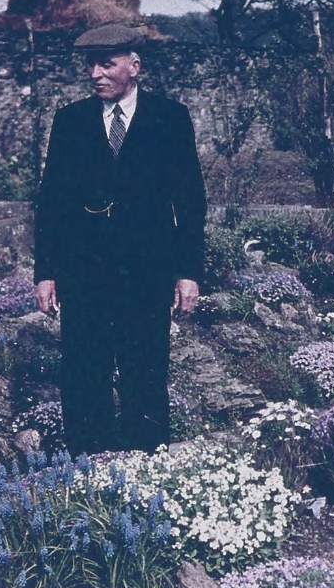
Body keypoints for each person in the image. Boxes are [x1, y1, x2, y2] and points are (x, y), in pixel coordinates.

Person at [33, 23, 207, 456]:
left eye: (106, 63)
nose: (95, 73)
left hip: (147, 271)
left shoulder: (170, 118)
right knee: (83, 370)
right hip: (84, 272)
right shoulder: (70, 121)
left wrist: (187, 272)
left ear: (135, 66)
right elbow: (52, 200)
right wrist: (47, 272)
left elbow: (190, 201)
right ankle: (87, 469)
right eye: (90, 64)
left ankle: (146, 468)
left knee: (144, 369)